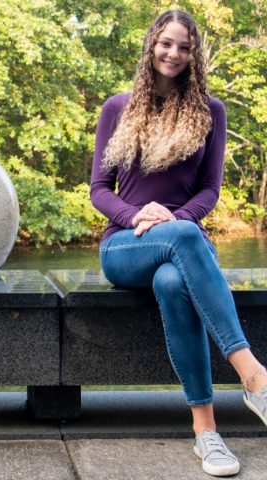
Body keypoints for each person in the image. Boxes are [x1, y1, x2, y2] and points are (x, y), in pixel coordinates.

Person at [90, 9, 267, 477]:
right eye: (166, 43)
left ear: (195, 56)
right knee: (183, 240)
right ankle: (254, 376)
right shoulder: (117, 108)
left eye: (184, 47)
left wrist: (175, 215)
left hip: (180, 242)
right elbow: (99, 190)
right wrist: (138, 217)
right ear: (152, 45)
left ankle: (206, 434)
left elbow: (210, 191)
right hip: (125, 247)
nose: (174, 53)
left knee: (173, 281)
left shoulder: (211, 112)